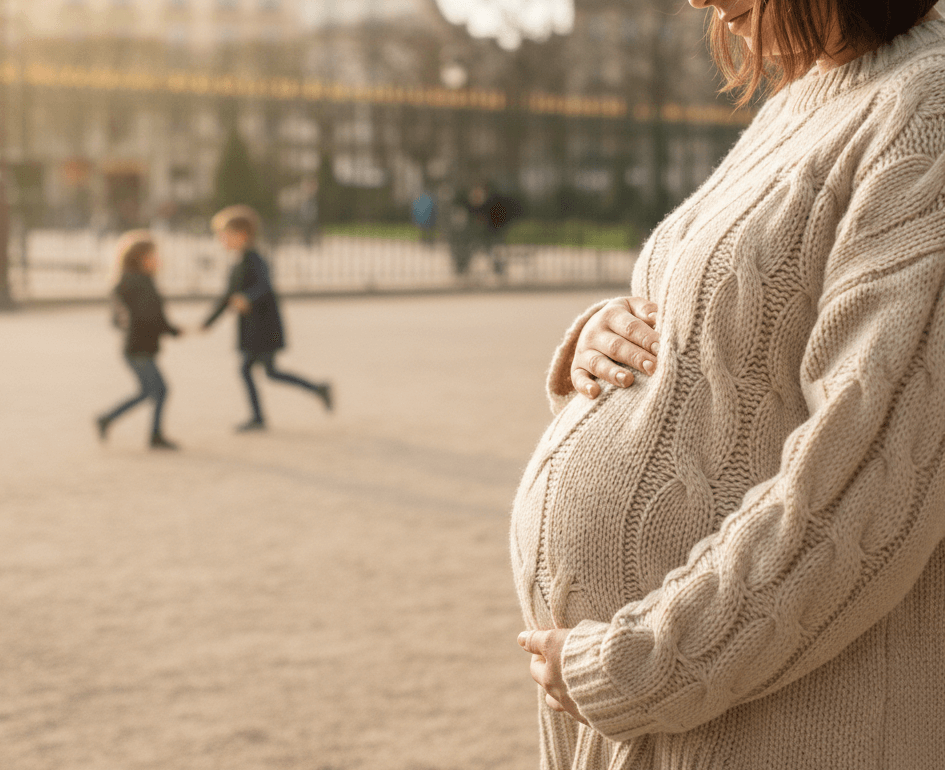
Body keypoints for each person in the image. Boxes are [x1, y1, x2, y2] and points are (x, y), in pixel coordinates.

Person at [511, 2, 945, 769]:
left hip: (762, 714)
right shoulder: (808, 95)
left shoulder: (927, 109)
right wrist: (604, 340)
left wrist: (641, 665)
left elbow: (870, 480)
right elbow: (739, 336)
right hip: (682, 707)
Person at [203, 205, 333, 432]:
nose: (221, 240)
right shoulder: (238, 261)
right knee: (265, 371)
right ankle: (314, 390)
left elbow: (264, 285)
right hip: (253, 328)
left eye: (225, 235)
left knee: (257, 370)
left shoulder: (255, 259)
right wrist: (207, 323)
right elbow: (227, 297)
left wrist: (247, 298)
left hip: (263, 327)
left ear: (241, 235)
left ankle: (260, 416)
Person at [96, 231, 182, 450]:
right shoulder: (142, 282)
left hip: (135, 346)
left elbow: (119, 320)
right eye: (154, 255)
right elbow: (150, 316)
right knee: (159, 390)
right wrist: (171, 330)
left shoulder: (128, 282)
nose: (159, 260)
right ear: (142, 257)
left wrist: (168, 329)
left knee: (149, 391)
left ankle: (108, 419)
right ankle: (154, 435)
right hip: (139, 348)